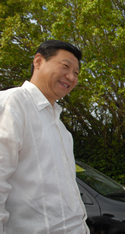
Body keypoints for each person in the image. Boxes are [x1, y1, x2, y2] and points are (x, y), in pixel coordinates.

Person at [0, 40, 89, 233]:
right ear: (38, 61)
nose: (71, 77)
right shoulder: (13, 104)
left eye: (76, 73)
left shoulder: (61, 129)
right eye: (65, 66)